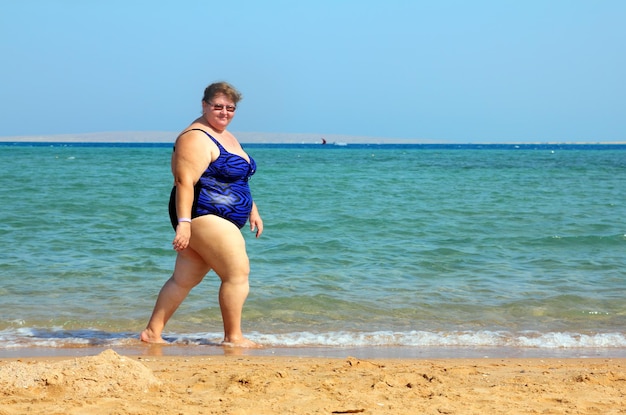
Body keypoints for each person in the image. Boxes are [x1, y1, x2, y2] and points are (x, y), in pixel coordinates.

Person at [140, 82, 263, 348]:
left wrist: (253, 210)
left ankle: (152, 332)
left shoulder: (224, 134)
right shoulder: (195, 137)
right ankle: (234, 337)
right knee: (236, 273)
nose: (224, 112)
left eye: (230, 108)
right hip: (202, 214)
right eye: (217, 106)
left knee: (185, 279)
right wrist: (184, 224)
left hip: (219, 218)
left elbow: (238, 178)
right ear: (204, 105)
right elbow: (184, 181)